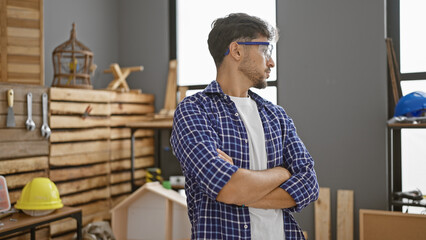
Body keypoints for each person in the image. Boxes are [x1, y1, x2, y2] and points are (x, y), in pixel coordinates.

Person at [170, 13, 319, 240]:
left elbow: (308, 185)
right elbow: (229, 187)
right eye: (265, 51)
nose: (271, 62)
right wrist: (282, 172)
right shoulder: (193, 111)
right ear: (237, 51)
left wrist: (242, 190)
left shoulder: (276, 116)